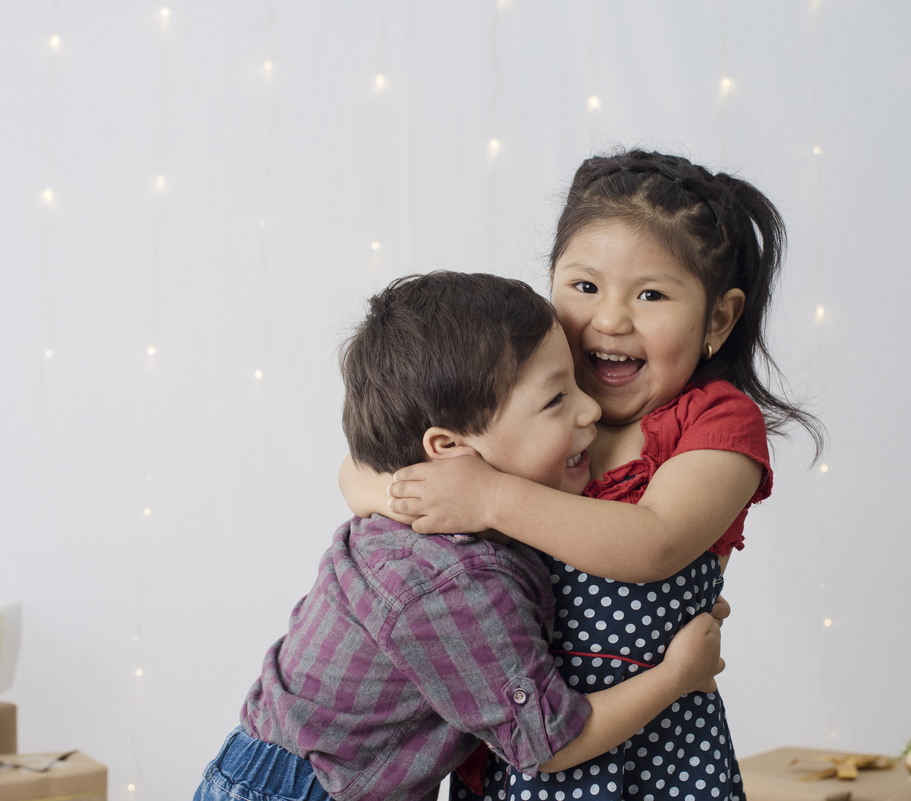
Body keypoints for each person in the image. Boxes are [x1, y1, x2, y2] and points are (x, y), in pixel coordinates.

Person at [342, 150, 823, 800]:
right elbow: (362, 466)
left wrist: (486, 494)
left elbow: (652, 543)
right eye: (585, 286)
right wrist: (421, 491)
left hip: (651, 745)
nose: (610, 318)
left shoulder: (718, 422)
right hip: (519, 742)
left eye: (650, 294)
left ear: (717, 319)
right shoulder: (530, 411)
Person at [193, 272, 728, 801]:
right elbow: (545, 743)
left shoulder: (441, 512)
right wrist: (678, 675)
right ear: (448, 449)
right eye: (555, 400)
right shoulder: (455, 577)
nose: (590, 409)